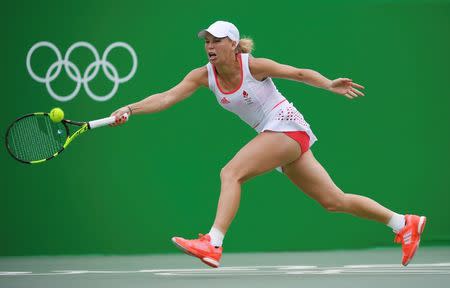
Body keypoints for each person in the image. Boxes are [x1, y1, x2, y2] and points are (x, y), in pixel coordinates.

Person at [111, 20, 426, 268]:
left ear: (233, 45)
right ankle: (403, 223)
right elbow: (166, 97)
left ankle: (214, 243)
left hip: (286, 126)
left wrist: (329, 84)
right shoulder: (202, 76)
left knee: (230, 173)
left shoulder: (253, 65)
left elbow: (298, 73)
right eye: (207, 41)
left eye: (217, 40)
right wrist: (129, 108)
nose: (209, 46)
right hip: (278, 136)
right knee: (334, 200)